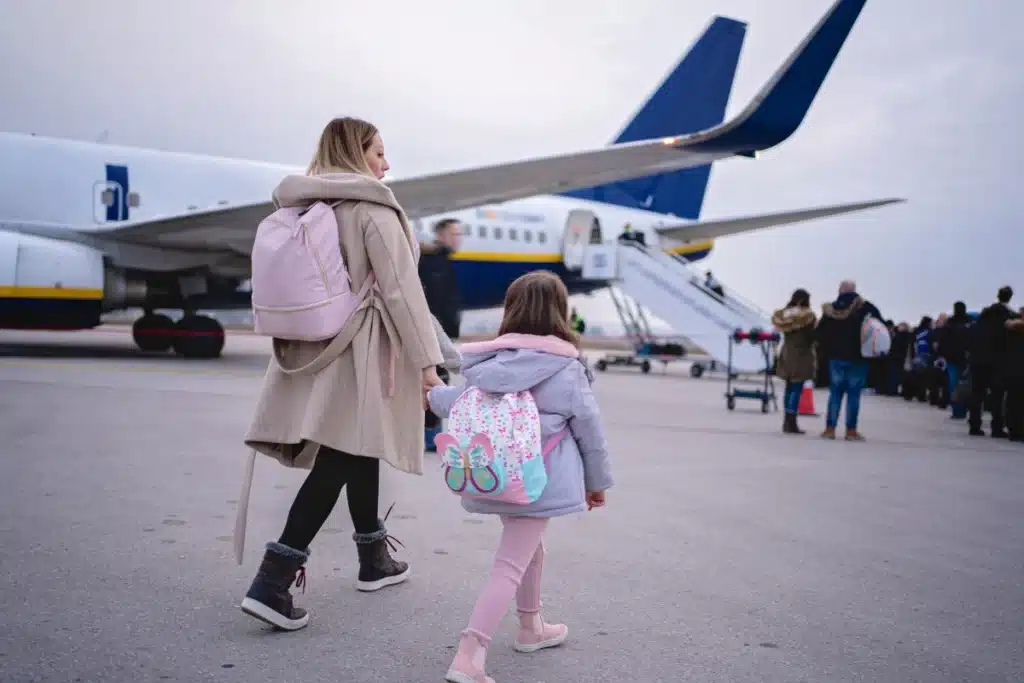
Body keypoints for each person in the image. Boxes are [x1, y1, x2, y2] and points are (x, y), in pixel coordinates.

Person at [239, 117, 446, 631]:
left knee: (358, 442)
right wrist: (428, 363)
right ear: (357, 153)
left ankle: (373, 558)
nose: (386, 163)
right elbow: (402, 292)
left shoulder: (306, 203)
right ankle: (273, 579)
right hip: (363, 348)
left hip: (315, 343)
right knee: (340, 455)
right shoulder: (372, 209)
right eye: (378, 152)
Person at [426, 271, 613, 683]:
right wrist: (596, 483)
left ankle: (531, 626)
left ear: (511, 311)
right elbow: (590, 433)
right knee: (510, 562)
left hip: (496, 474)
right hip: (535, 481)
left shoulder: (490, 364)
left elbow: (455, 403)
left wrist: (429, 389)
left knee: (528, 549)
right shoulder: (568, 369)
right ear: (559, 313)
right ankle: (469, 655)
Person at [814, 279, 883, 441]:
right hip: (858, 358)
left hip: (836, 357)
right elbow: (879, 329)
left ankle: (830, 429)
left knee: (835, 394)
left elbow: (819, 333)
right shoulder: (866, 308)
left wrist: (827, 350)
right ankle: (851, 431)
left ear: (840, 290)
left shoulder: (830, 309)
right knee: (853, 395)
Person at [968, 286, 1015, 437]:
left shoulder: (983, 316)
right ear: (1010, 297)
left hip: (978, 359)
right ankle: (997, 428)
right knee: (997, 395)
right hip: (997, 360)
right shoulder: (1009, 317)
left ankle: (974, 425)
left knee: (977, 393)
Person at [771, 289, 817, 435]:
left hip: (786, 352)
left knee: (789, 387)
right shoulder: (807, 316)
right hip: (801, 354)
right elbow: (812, 336)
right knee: (797, 388)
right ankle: (792, 422)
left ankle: (786, 421)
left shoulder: (783, 314)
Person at [419, 218, 463, 341]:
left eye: (459, 235)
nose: (458, 239)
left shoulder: (443, 260)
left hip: (442, 335)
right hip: (437, 336)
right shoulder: (433, 262)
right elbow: (436, 301)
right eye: (453, 234)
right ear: (441, 236)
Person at [938, 302, 971, 419]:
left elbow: (942, 341)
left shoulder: (949, 323)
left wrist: (943, 354)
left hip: (952, 358)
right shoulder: (969, 322)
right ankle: (964, 407)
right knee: (966, 384)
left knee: (953, 384)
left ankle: (957, 410)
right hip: (966, 357)